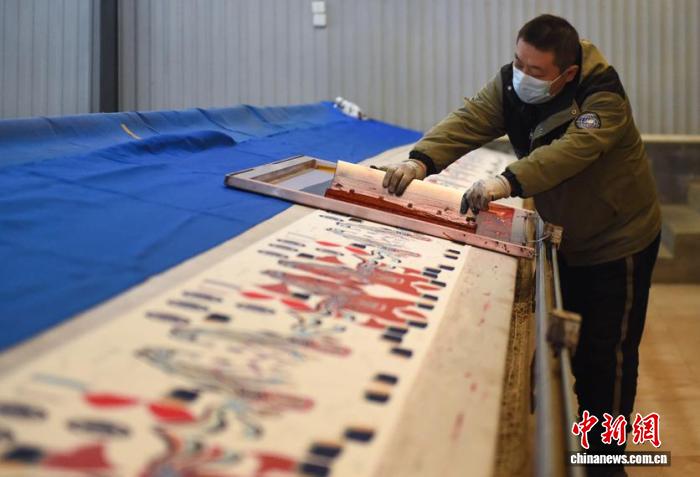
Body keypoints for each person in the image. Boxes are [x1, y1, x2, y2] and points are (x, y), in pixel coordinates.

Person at [381, 14, 661, 477]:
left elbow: (567, 154)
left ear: (567, 74)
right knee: (574, 349)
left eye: (535, 71)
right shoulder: (513, 85)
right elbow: (470, 120)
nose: (521, 76)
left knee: (605, 358)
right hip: (567, 232)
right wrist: (420, 161)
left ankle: (605, 465)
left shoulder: (602, 100)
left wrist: (505, 181)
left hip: (617, 241)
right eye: (517, 62)